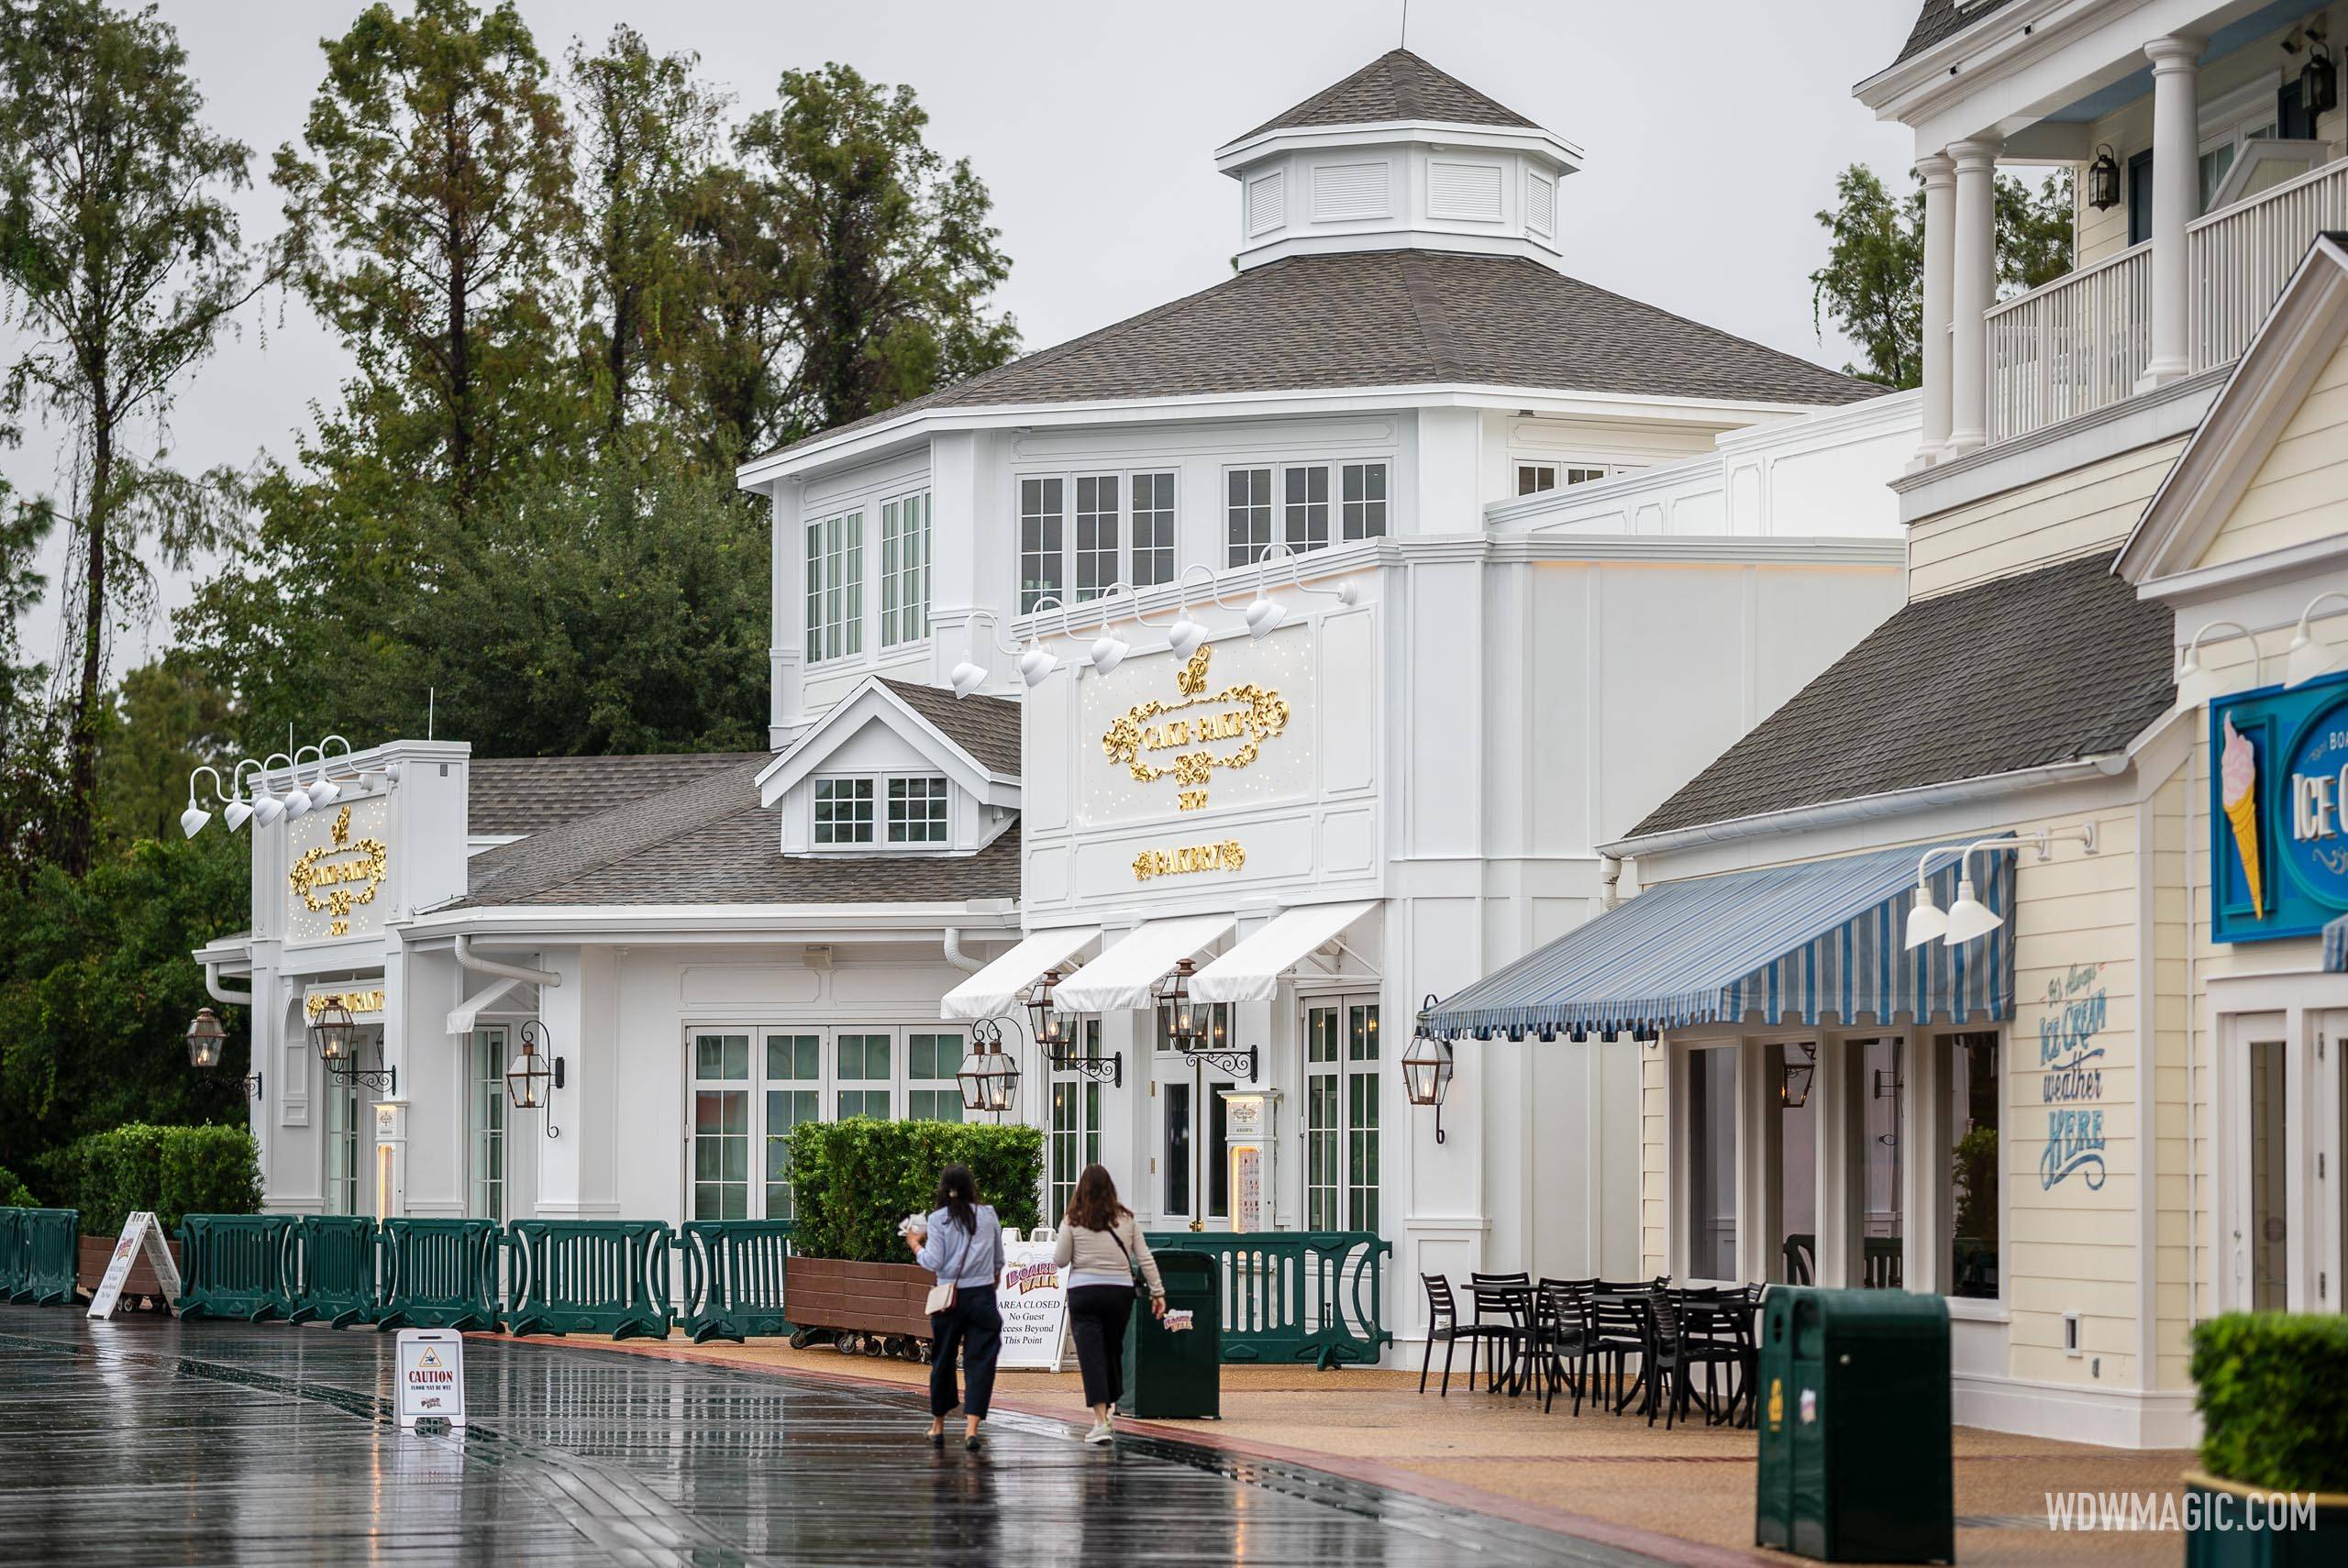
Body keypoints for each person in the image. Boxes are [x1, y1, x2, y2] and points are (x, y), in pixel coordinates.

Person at [1052, 1164, 1165, 1444]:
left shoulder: (1073, 1220)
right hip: (1119, 1293)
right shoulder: (1127, 1219)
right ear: (1110, 1189)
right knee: (1112, 1350)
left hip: (1085, 1293)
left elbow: (1060, 1259)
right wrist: (1158, 1291)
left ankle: (1101, 1419)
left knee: (1091, 1356)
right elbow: (1145, 1257)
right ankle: (1110, 1409)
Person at [907, 1163, 1004, 1450]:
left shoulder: (938, 1220)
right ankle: (971, 1429)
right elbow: (999, 1258)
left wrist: (915, 1244)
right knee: (980, 1361)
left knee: (943, 1360)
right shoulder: (987, 1216)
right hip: (982, 1295)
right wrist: (990, 1280)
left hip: (949, 1298)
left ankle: (938, 1425)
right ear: (971, 1187)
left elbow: (934, 1262)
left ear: (944, 1189)